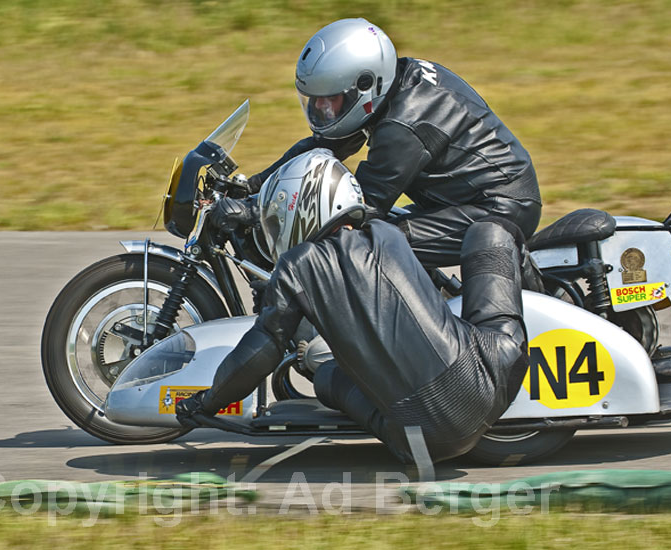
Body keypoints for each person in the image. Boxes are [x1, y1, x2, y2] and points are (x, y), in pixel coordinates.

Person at [177, 149, 529, 463]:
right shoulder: (387, 233)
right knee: (489, 232)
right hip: (490, 385)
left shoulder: (295, 267)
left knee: (325, 376)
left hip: (416, 442)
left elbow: (258, 354)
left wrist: (206, 403)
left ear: (303, 206)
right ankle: (542, 296)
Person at [212, 18, 541, 269]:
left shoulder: (403, 126)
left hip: (498, 208)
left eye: (330, 101)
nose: (321, 110)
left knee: (369, 243)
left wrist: (256, 212)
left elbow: (359, 209)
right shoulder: (391, 85)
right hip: (458, 200)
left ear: (365, 86)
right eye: (315, 102)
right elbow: (322, 147)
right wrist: (249, 186)